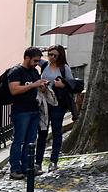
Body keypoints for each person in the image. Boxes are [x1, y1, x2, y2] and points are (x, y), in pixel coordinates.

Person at [7, 47, 47, 179]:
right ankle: (15, 168)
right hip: (21, 111)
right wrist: (33, 85)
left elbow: (36, 87)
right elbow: (14, 90)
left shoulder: (34, 71)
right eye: (35, 60)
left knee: (31, 141)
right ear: (27, 58)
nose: (37, 63)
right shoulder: (16, 71)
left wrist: (41, 86)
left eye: (38, 61)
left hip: (34, 109)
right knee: (19, 140)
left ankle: (27, 166)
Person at [35, 45, 73, 171]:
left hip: (58, 104)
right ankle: (38, 162)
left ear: (60, 56)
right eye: (50, 54)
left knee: (57, 131)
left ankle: (53, 161)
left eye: (55, 55)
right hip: (44, 103)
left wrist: (62, 84)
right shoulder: (44, 65)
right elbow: (34, 55)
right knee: (42, 132)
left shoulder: (64, 68)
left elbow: (71, 84)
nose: (52, 57)